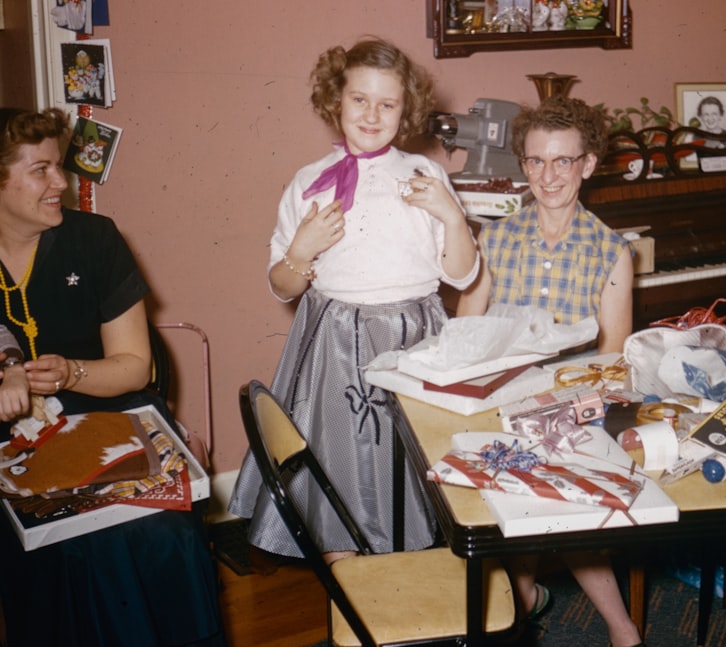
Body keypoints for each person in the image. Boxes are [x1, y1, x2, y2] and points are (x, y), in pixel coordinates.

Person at [227, 37, 479, 564]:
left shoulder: (424, 176)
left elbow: (462, 273)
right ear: (334, 101)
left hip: (416, 338)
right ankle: (354, 603)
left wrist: (451, 216)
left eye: (387, 104)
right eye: (359, 99)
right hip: (335, 342)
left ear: (404, 110)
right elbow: (281, 285)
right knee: (339, 478)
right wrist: (300, 250)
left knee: (416, 473)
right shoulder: (308, 183)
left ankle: (413, 596)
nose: (372, 114)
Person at [0, 107, 225, 646]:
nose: (62, 182)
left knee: (157, 532)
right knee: (50, 542)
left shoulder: (96, 239)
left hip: (106, 409)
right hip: (11, 439)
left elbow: (133, 368)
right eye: (41, 170)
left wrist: (72, 372)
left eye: (61, 166)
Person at [457, 96, 641, 647]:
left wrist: (563, 414)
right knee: (506, 496)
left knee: (565, 502)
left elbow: (613, 358)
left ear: (587, 164)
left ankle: (621, 629)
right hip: (497, 402)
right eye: (536, 161)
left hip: (570, 410)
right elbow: (464, 336)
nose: (548, 175)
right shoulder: (496, 239)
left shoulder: (610, 251)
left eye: (563, 161)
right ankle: (528, 591)